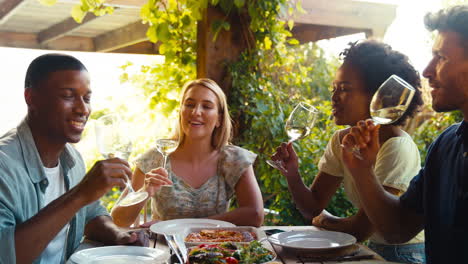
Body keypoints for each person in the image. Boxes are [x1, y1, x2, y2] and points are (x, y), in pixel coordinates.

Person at [271, 40, 426, 263]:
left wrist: (325, 221)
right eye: (334, 88)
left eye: (344, 89)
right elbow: (313, 207)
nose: (334, 98)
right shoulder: (342, 140)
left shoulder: (396, 147)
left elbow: (362, 228)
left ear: (380, 96)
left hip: (402, 254)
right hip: (365, 247)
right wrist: (292, 174)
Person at [340, 5, 468, 264]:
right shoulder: (446, 145)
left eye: (441, 56)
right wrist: (363, 170)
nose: (427, 71)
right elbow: (397, 228)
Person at [0, 54, 148, 264]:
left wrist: (119, 235)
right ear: (32, 98)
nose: (83, 109)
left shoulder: (72, 159)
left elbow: (90, 214)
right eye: (68, 96)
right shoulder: (4, 165)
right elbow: (5, 255)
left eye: (86, 98)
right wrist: (80, 194)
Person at [111, 78, 264, 227]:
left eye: (206, 106)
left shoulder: (234, 159)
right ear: (181, 112)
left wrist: (183, 226)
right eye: (190, 104)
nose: (196, 112)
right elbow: (118, 219)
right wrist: (145, 192)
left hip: (219, 251)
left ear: (219, 119)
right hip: (165, 250)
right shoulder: (154, 158)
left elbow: (255, 214)